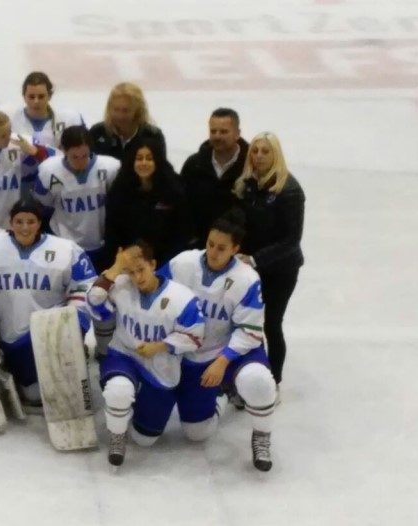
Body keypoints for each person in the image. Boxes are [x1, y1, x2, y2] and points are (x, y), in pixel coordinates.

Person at [162, 210, 278, 471]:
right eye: (210, 244)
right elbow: (157, 290)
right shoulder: (183, 263)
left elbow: (249, 330)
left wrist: (224, 360)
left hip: (235, 349)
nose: (213, 252)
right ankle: (223, 395)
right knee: (196, 433)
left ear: (236, 249)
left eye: (222, 248)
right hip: (195, 354)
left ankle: (261, 435)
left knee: (256, 379)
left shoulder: (247, 279)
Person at [85, 242, 205, 467]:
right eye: (130, 271)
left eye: (141, 269)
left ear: (153, 265)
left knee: (144, 439)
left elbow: (195, 337)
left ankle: (218, 399)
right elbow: (94, 305)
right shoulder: (119, 285)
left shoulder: (181, 298)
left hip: (160, 365)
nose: (136, 277)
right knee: (118, 392)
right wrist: (114, 269)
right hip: (124, 353)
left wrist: (160, 346)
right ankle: (117, 434)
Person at [0, 198, 96, 406]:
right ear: (10, 223)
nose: (25, 227)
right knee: (29, 393)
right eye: (19, 221)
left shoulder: (66, 250)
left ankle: (72, 357)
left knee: (37, 395)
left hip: (47, 334)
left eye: (31, 221)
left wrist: (73, 325)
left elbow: (85, 284)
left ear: (40, 223)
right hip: (7, 336)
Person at [232, 132, 305, 385]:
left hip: (281, 270)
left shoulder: (290, 191)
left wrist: (254, 259)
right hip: (253, 266)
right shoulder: (248, 184)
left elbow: (291, 240)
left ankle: (273, 380)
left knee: (271, 323)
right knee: (247, 324)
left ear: (276, 155)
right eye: (255, 150)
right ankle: (248, 376)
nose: (259, 156)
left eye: (265, 151)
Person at [33, 125, 121, 266]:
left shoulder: (111, 168)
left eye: (84, 156)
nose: (80, 162)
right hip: (64, 243)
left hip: (102, 243)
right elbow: (44, 204)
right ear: (63, 150)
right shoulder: (48, 171)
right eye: (74, 157)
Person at [103, 139, 192, 271]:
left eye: (149, 158)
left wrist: (164, 266)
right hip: (128, 263)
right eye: (139, 158)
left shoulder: (174, 190)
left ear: (157, 161)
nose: (144, 163)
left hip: (164, 263)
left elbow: (181, 232)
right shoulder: (120, 189)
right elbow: (112, 231)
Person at [180, 107, 248, 247]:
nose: (217, 136)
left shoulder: (251, 167)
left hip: (239, 250)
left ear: (237, 134)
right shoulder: (194, 165)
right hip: (198, 248)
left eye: (223, 132)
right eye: (213, 131)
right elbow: (182, 207)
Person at [87, 82, 168, 164]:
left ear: (137, 110)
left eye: (126, 111)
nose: (120, 116)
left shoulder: (153, 136)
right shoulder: (97, 133)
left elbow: (161, 170)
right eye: (116, 110)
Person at [7, 72, 86, 150]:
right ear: (24, 96)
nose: (36, 101)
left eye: (41, 97)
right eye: (31, 97)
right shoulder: (9, 119)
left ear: (49, 96)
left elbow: (86, 152)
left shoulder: (69, 120)